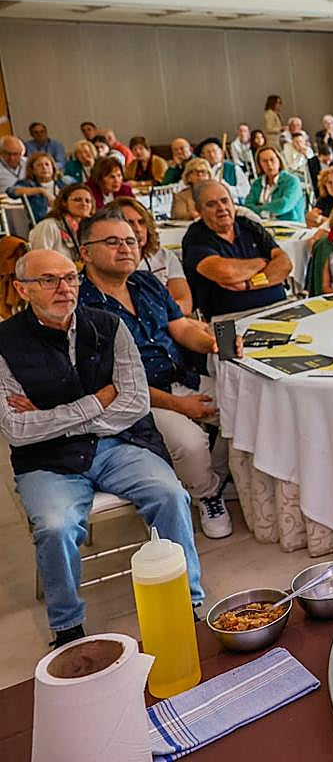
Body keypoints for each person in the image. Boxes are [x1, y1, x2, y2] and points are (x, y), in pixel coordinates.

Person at [0, 248, 203, 646]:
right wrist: (96, 401)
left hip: (118, 444)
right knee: (56, 526)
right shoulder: (5, 343)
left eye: (70, 278)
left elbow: (135, 402)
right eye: (49, 281)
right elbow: (17, 429)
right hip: (47, 462)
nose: (64, 288)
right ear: (23, 289)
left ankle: (188, 600)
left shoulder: (109, 326)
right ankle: (67, 628)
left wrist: (52, 415)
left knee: (170, 495)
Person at [77, 210, 231, 539]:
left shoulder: (145, 282)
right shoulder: (81, 307)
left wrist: (210, 343)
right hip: (137, 400)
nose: (126, 248)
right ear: (85, 252)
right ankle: (207, 494)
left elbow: (180, 328)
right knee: (190, 443)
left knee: (245, 407)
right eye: (113, 241)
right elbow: (112, 384)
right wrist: (181, 406)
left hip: (182, 377)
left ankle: (210, 478)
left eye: (131, 241)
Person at [182, 180, 291, 318]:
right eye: (211, 204)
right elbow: (226, 273)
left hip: (279, 308)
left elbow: (284, 264)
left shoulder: (249, 226)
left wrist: (249, 284)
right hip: (230, 320)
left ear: (233, 204)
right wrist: (262, 263)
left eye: (224, 201)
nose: (221, 208)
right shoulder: (196, 237)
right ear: (199, 211)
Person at [114, 197, 192, 315]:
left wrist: (152, 314)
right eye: (129, 223)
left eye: (141, 222)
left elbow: (185, 304)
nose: (138, 229)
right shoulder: (110, 263)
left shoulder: (165, 257)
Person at [29, 183, 93, 264]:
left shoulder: (89, 229)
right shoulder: (48, 226)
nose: (84, 204)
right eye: (78, 200)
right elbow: (39, 260)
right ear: (64, 202)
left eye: (88, 201)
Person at [245, 145, 304, 223]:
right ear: (260, 165)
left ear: (279, 160)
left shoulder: (292, 181)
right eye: (264, 161)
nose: (269, 164)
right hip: (263, 226)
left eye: (272, 159)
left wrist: (260, 208)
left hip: (290, 226)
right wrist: (269, 209)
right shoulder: (257, 183)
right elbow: (248, 205)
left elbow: (283, 205)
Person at [7, 152, 63, 221]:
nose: (44, 167)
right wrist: (41, 190)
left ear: (53, 168)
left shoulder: (62, 185)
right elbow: (12, 192)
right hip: (41, 224)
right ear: (32, 170)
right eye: (39, 165)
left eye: (47, 164)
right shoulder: (28, 184)